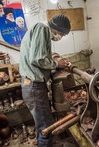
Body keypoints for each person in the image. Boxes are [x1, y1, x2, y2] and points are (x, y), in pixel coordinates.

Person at [19, 14, 71, 147]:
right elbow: (37, 59)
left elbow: (38, 57)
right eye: (63, 35)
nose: (61, 37)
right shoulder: (42, 28)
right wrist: (56, 64)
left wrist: (52, 66)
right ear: (58, 30)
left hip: (32, 85)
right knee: (45, 125)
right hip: (34, 86)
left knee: (43, 121)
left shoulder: (41, 29)